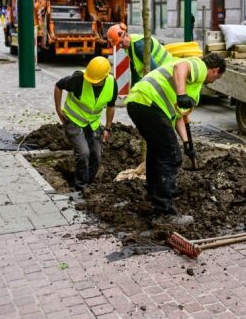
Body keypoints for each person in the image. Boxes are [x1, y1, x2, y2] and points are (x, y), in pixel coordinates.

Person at [125, 53, 226, 225]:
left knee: (157, 151)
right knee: (171, 156)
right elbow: (181, 67)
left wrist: (187, 144)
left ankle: (154, 192)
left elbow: (178, 116)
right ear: (215, 70)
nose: (214, 81)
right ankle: (164, 213)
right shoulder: (199, 67)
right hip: (150, 103)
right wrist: (181, 94)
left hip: (138, 102)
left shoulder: (191, 83)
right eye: (217, 77)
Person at [54, 56, 117, 193]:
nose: (91, 82)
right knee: (83, 153)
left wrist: (107, 128)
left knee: (97, 154)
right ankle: (80, 187)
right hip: (73, 120)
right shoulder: (78, 79)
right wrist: (59, 110)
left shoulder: (112, 84)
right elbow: (58, 85)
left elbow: (111, 106)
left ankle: (88, 183)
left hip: (92, 123)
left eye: (95, 81)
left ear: (105, 77)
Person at [106, 23, 174, 85]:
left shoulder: (139, 46)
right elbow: (135, 73)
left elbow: (153, 70)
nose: (120, 46)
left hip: (167, 72)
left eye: (121, 43)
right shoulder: (130, 47)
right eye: (118, 44)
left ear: (125, 35)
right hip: (162, 72)